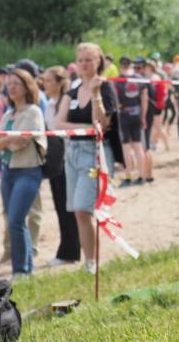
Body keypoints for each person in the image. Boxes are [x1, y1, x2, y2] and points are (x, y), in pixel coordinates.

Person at [54, 42, 119, 274]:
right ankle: (88, 261)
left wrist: (95, 95)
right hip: (72, 151)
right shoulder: (71, 91)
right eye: (80, 60)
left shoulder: (105, 88)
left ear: (98, 62)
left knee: (84, 209)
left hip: (95, 152)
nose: (84, 64)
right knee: (77, 210)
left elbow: (103, 123)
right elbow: (58, 124)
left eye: (89, 59)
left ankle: (92, 262)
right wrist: (85, 127)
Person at [0, 69, 46, 278]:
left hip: (28, 170)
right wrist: (5, 142)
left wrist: (3, 142)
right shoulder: (8, 113)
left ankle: (21, 270)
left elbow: (22, 140)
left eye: (16, 83)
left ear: (26, 86)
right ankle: (25, 268)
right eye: (9, 84)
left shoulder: (33, 111)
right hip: (9, 172)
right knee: (13, 221)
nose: (11, 87)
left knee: (16, 219)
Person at [42, 66, 80, 266]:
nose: (45, 84)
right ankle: (68, 248)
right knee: (60, 206)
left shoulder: (68, 103)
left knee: (68, 207)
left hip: (69, 160)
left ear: (58, 82)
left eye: (49, 80)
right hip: (55, 161)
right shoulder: (49, 104)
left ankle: (70, 251)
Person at [115, 58, 148, 186]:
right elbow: (144, 99)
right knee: (138, 146)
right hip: (136, 114)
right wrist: (143, 116)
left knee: (126, 148)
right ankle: (141, 176)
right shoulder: (139, 79)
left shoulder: (118, 80)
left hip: (124, 115)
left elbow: (116, 102)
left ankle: (128, 176)